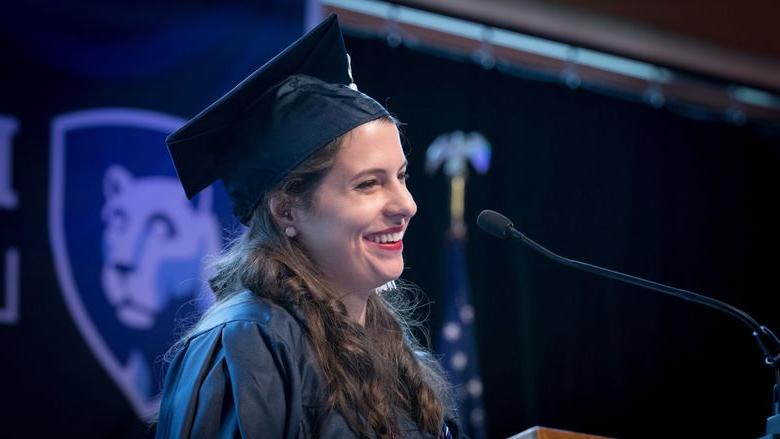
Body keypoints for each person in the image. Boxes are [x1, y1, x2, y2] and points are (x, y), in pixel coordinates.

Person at [155, 14, 462, 438]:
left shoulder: (393, 351)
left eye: (402, 176)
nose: (406, 204)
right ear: (287, 211)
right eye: (368, 184)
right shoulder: (247, 343)